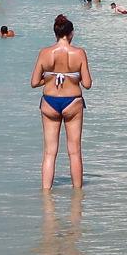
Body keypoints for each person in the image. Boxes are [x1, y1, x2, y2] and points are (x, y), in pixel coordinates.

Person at [33, 14, 92, 190]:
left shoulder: (44, 53)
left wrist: (50, 79)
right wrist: (71, 77)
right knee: (74, 151)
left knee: (50, 152)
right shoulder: (79, 53)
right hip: (73, 102)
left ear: (56, 33)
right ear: (71, 33)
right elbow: (87, 84)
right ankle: (77, 199)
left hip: (49, 102)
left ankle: (46, 196)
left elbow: (34, 82)